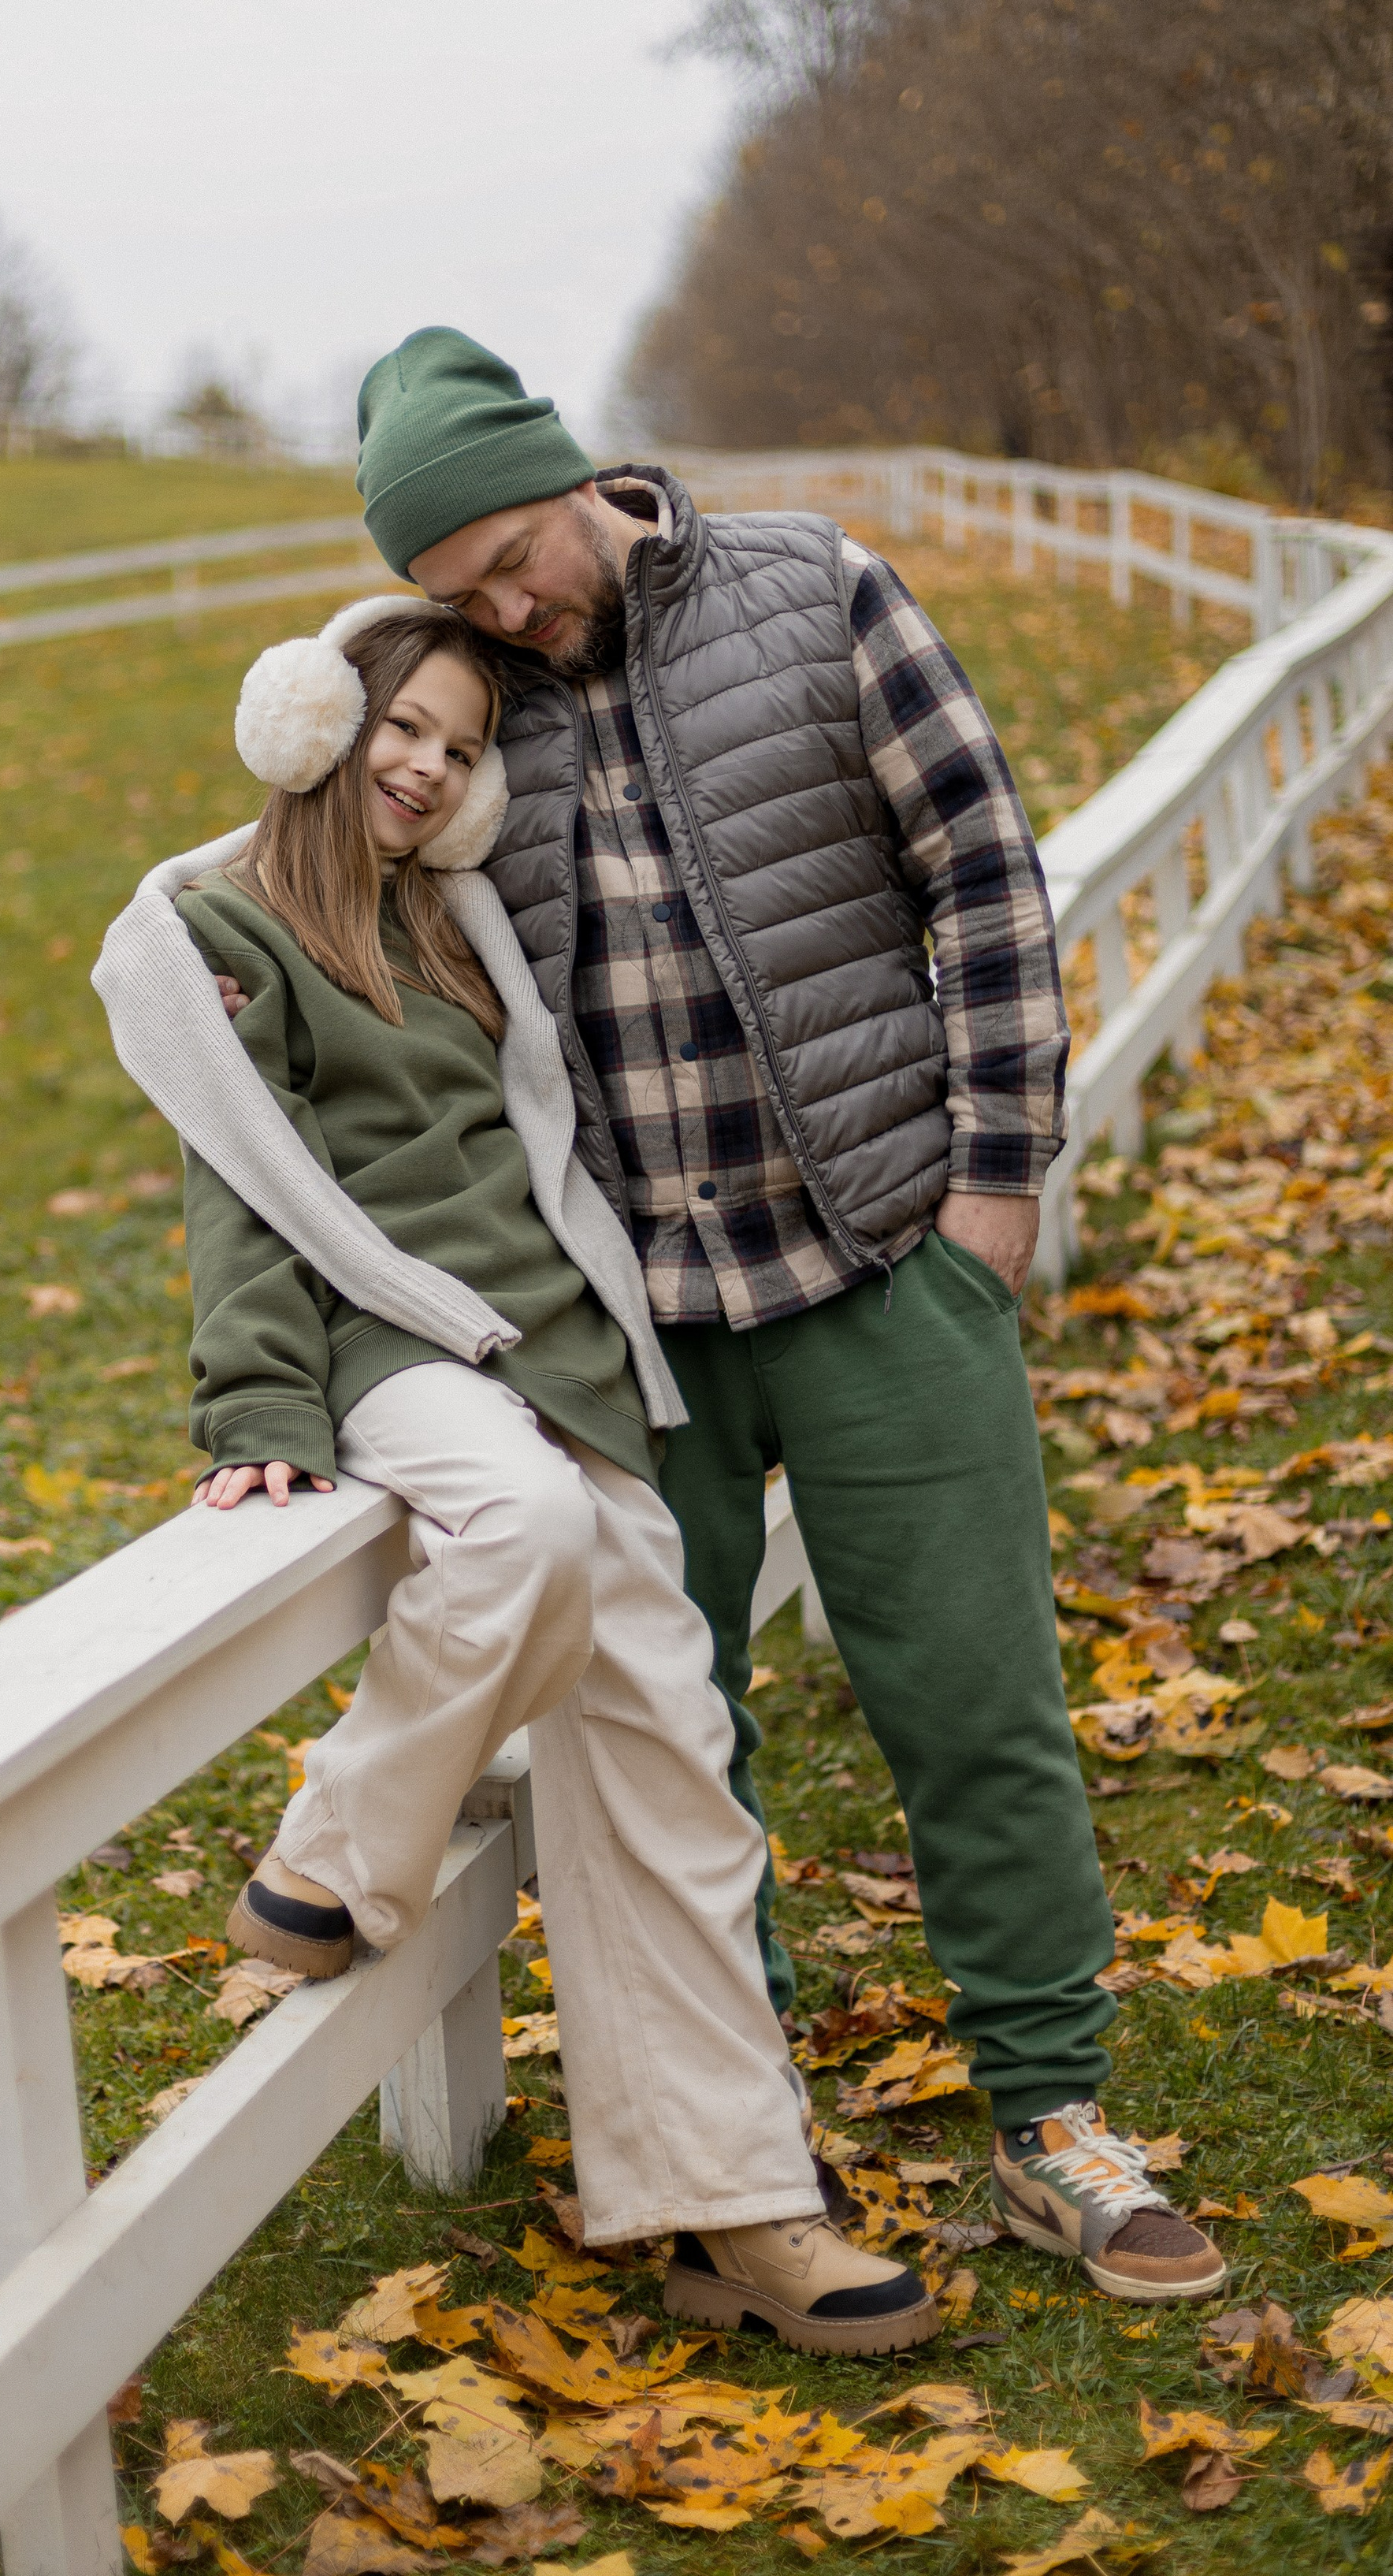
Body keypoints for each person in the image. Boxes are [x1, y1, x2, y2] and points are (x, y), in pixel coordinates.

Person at [317, 325, 1224, 2310]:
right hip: (637, 1333)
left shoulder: (808, 591)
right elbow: (337, 914)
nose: (497, 607)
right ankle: (753, 2151)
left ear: (569, 477)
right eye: (449, 591)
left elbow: (979, 871)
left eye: (505, 560)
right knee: (674, 1747)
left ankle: (1050, 2122)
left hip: (889, 1255)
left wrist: (995, 1188)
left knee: (975, 1709)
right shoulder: (459, 710)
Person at [94, 593, 942, 2356]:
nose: (424, 767)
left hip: (557, 1347)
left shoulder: (462, 923)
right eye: (402, 725)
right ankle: (328, 1861)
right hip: (394, 1351)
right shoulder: (221, 927)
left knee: (675, 1774)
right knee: (521, 1530)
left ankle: (735, 2210)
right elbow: (240, 1186)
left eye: (462, 747)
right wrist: (253, 1407)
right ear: (315, 718)